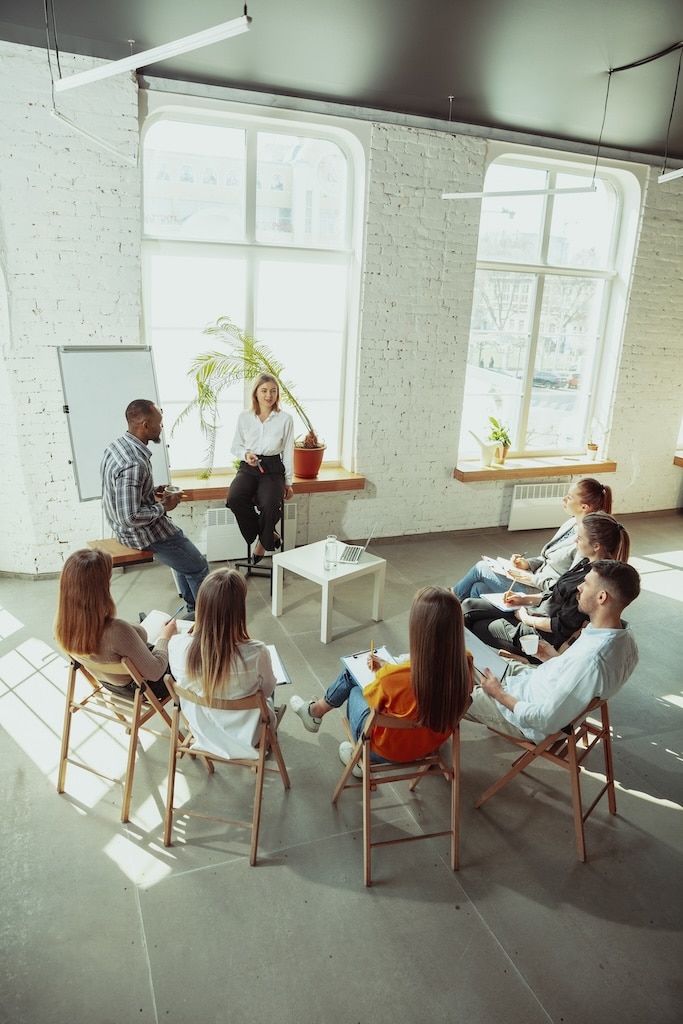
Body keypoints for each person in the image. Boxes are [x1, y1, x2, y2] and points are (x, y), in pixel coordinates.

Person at [289, 587, 474, 774]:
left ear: (418, 628)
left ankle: (327, 723)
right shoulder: (465, 663)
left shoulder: (393, 678)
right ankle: (316, 712)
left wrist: (386, 672)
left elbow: (373, 700)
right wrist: (390, 668)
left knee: (354, 682)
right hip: (430, 744)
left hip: (385, 750)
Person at [465, 559, 640, 744]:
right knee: (469, 655)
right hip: (530, 680)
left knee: (445, 694)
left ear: (601, 597)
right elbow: (577, 678)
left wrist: (498, 694)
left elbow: (544, 720)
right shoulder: (623, 638)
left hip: (523, 714)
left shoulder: (592, 660)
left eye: (586, 583)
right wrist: (552, 658)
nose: (579, 587)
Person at [463, 512, 630, 659]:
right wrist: (524, 599)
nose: (574, 541)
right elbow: (553, 593)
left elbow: (561, 626)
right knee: (468, 606)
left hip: (540, 635)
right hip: (532, 612)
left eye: (579, 538)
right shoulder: (584, 563)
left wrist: (526, 618)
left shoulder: (592, 583)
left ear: (596, 546)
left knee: (476, 625)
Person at [101, 399, 209, 616]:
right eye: (159, 423)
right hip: (141, 534)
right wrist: (164, 506)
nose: (161, 427)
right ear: (145, 425)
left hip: (128, 530)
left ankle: (192, 611)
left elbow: (120, 494)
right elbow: (129, 516)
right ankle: (205, 623)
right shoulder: (134, 463)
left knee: (185, 553)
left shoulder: (118, 446)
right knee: (199, 568)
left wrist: (152, 491)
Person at [167, 568, 280, 759]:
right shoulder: (257, 652)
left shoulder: (176, 645)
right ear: (239, 610)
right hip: (247, 735)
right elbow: (267, 691)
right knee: (268, 688)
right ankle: (265, 741)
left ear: (202, 606)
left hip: (201, 730)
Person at [453, 477, 614, 600]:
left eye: (570, 498)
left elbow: (566, 585)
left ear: (584, 507)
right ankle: (461, 623)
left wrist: (532, 578)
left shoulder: (585, 542)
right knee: (478, 589)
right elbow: (548, 558)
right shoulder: (571, 523)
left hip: (539, 590)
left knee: (481, 568)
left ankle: (447, 601)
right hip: (532, 577)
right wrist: (528, 563)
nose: (564, 499)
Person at [54, 547, 177, 699]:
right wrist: (165, 637)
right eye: (108, 578)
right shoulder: (116, 631)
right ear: (101, 588)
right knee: (191, 627)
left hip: (111, 685)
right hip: (147, 688)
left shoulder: (62, 628)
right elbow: (155, 672)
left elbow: (139, 637)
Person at [227, 374, 294, 564]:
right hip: (249, 467)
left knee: (271, 504)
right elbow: (235, 446)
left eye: (273, 391)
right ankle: (267, 535)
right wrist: (245, 455)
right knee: (234, 499)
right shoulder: (244, 417)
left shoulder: (285, 419)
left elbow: (288, 452)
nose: (269, 395)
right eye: (264, 390)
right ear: (256, 393)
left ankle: (262, 544)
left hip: (272, 468)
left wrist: (289, 482)